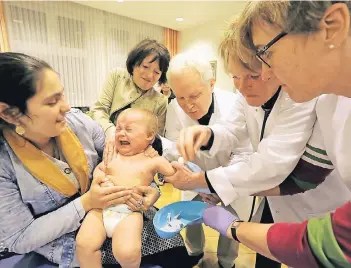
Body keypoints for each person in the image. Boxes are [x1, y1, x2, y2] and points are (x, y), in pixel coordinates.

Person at [166, 13, 351, 268]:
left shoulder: (306, 97)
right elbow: (232, 130)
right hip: (281, 201)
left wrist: (203, 183)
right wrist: (209, 135)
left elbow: (276, 167)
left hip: (321, 209)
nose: (243, 86)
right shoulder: (248, 98)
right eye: (234, 77)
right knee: (269, 250)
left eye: (255, 73)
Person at [0, 52, 200, 268]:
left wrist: (150, 189)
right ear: (9, 113)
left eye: (62, 95)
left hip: (124, 209)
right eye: (51, 102)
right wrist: (87, 202)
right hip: (68, 239)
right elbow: (19, 238)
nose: (67, 107)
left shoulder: (77, 123)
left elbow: (127, 163)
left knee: (177, 255)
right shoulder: (5, 165)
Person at [164, 52, 253, 268]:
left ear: (211, 84)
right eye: (180, 97)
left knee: (231, 223)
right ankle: (195, 251)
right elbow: (174, 148)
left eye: (194, 96)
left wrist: (215, 185)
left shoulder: (235, 105)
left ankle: (226, 261)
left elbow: (244, 154)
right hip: (194, 178)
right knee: (190, 217)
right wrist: (198, 183)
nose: (187, 105)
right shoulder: (174, 108)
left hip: (230, 178)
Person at [76, 108, 176, 268]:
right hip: (100, 209)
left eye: (129, 129)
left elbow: (174, 174)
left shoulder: (152, 160)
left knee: (127, 252)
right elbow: (100, 169)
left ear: (149, 135)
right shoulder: (112, 154)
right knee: (84, 245)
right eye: (118, 129)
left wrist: (164, 161)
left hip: (129, 213)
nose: (121, 133)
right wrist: (99, 178)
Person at [91, 39, 170, 140]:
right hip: (105, 139)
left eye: (157, 72)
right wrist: (111, 132)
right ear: (133, 64)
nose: (150, 76)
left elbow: (156, 137)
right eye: (145, 66)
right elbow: (98, 110)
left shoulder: (160, 101)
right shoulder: (117, 76)